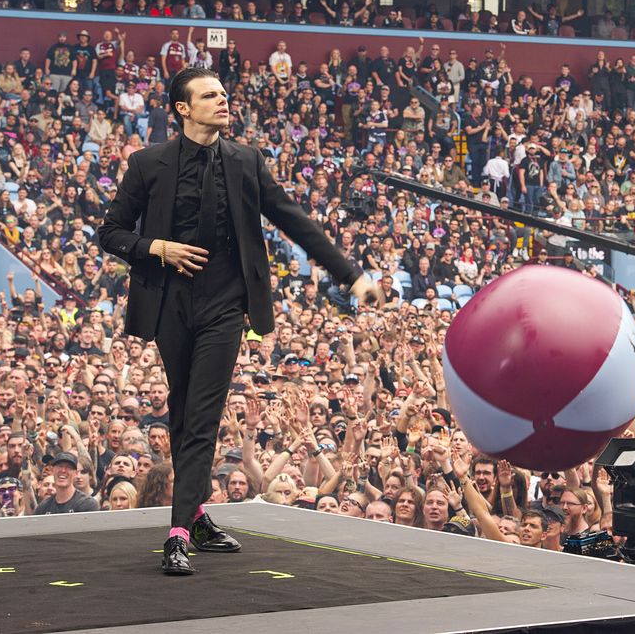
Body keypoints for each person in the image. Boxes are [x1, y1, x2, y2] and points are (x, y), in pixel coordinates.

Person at [97, 66, 383, 576]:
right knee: (183, 410)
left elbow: (294, 219)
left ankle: (179, 533)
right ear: (183, 108)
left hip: (227, 306)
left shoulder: (247, 162)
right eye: (210, 96)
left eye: (225, 94)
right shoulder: (148, 164)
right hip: (169, 305)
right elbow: (111, 233)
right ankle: (199, 516)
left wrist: (350, 275)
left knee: (202, 414)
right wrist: (155, 247)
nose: (223, 101)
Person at [32, 452, 100, 515]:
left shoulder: (87, 504)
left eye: (69, 467)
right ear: (53, 470)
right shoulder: (43, 507)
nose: (63, 470)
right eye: (59, 466)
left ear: (76, 473)